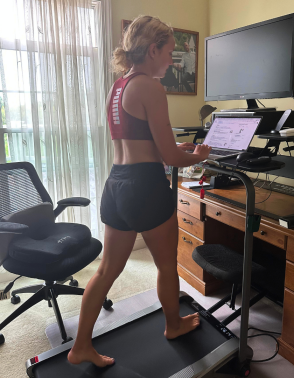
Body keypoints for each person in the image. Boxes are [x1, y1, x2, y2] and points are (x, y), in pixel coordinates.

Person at [66, 15, 212, 367]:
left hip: (117, 184)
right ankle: (173, 325)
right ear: (153, 49)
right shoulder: (150, 86)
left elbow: (137, 137)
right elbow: (169, 157)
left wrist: (174, 146)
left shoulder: (119, 86)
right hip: (146, 187)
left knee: (105, 271)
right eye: (169, 54)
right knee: (165, 265)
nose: (170, 61)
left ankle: (80, 347)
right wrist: (197, 154)